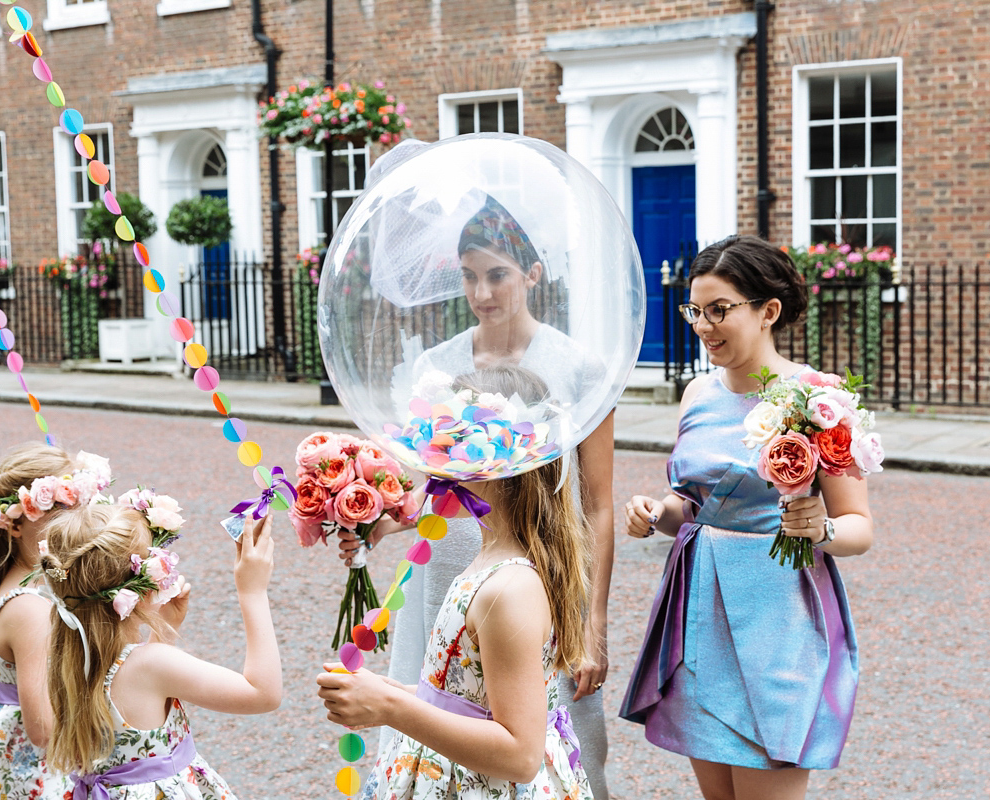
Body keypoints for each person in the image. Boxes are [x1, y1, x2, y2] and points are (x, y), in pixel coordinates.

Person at [339, 192, 616, 799]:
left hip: (535, 563)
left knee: (544, 727)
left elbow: (595, 503)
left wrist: (593, 619)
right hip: (446, 564)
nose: (482, 293)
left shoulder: (579, 368)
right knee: (441, 702)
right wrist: (380, 522)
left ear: (532, 274)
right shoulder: (438, 366)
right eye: (469, 277)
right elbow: (432, 486)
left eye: (497, 275)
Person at [620, 235, 874, 800]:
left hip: (779, 619)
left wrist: (822, 529)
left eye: (719, 310)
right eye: (696, 311)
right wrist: (655, 511)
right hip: (698, 614)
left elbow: (859, 526)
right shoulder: (696, 394)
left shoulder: (817, 398)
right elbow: (693, 504)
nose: (704, 326)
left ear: (768, 312)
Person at [318, 366, 594, 800]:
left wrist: (393, 709)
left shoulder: (510, 590)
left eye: (445, 448)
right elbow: (472, 696)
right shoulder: (492, 559)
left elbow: (521, 755)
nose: (430, 467)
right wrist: (394, 693)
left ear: (497, 463)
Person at [39, 503, 281, 799]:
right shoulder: (150, 664)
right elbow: (263, 694)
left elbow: (139, 700)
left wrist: (164, 629)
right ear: (137, 592)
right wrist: (252, 591)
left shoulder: (69, 657)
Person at [0, 443, 113, 800]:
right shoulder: (30, 608)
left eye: (77, 505)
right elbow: (42, 728)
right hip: (36, 773)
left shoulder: (26, 580)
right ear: (13, 524)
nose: (74, 520)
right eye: (56, 509)